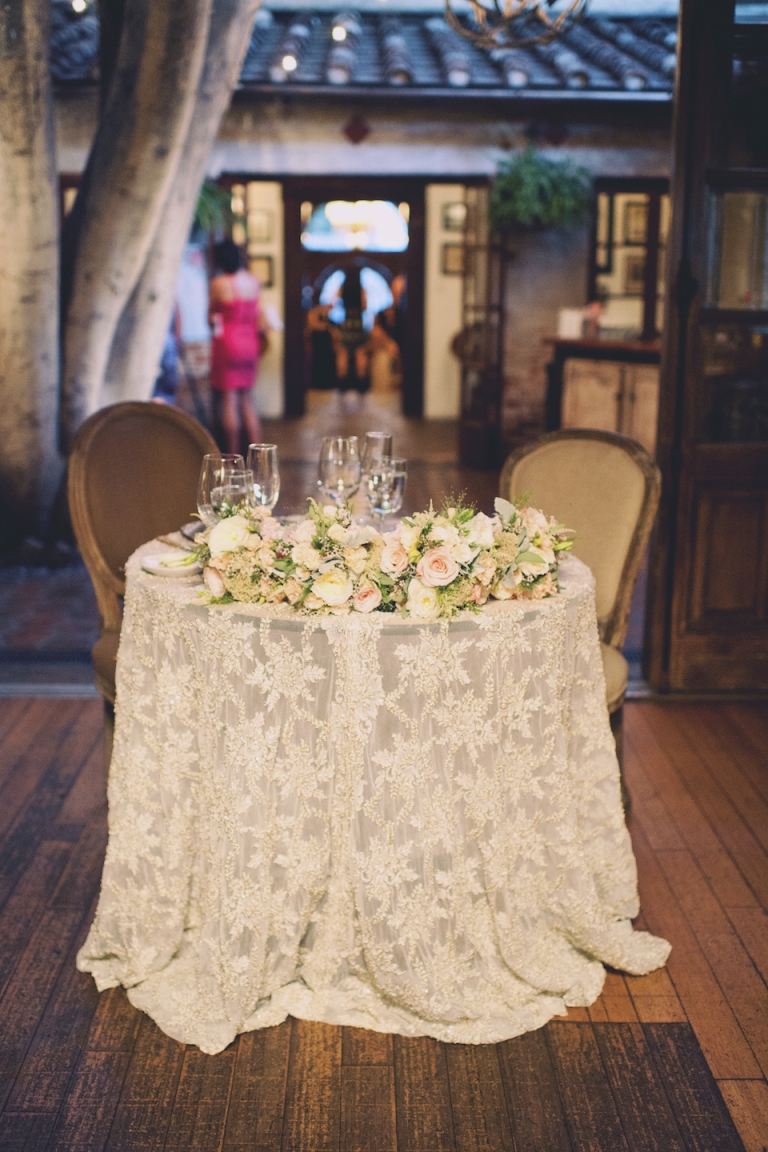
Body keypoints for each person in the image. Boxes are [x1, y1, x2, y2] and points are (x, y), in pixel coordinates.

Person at [209, 239, 264, 454]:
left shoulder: (218, 283)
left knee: (229, 401)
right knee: (248, 401)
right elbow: (259, 318)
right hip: (250, 342)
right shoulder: (254, 282)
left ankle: (232, 460)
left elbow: (210, 317)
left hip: (228, 343)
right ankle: (259, 456)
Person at [333, 268, 369, 394]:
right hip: (358, 322)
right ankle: (361, 385)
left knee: (343, 353)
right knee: (360, 353)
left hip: (346, 322)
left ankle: (342, 385)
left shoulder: (342, 288)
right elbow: (365, 306)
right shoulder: (361, 289)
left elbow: (336, 302)